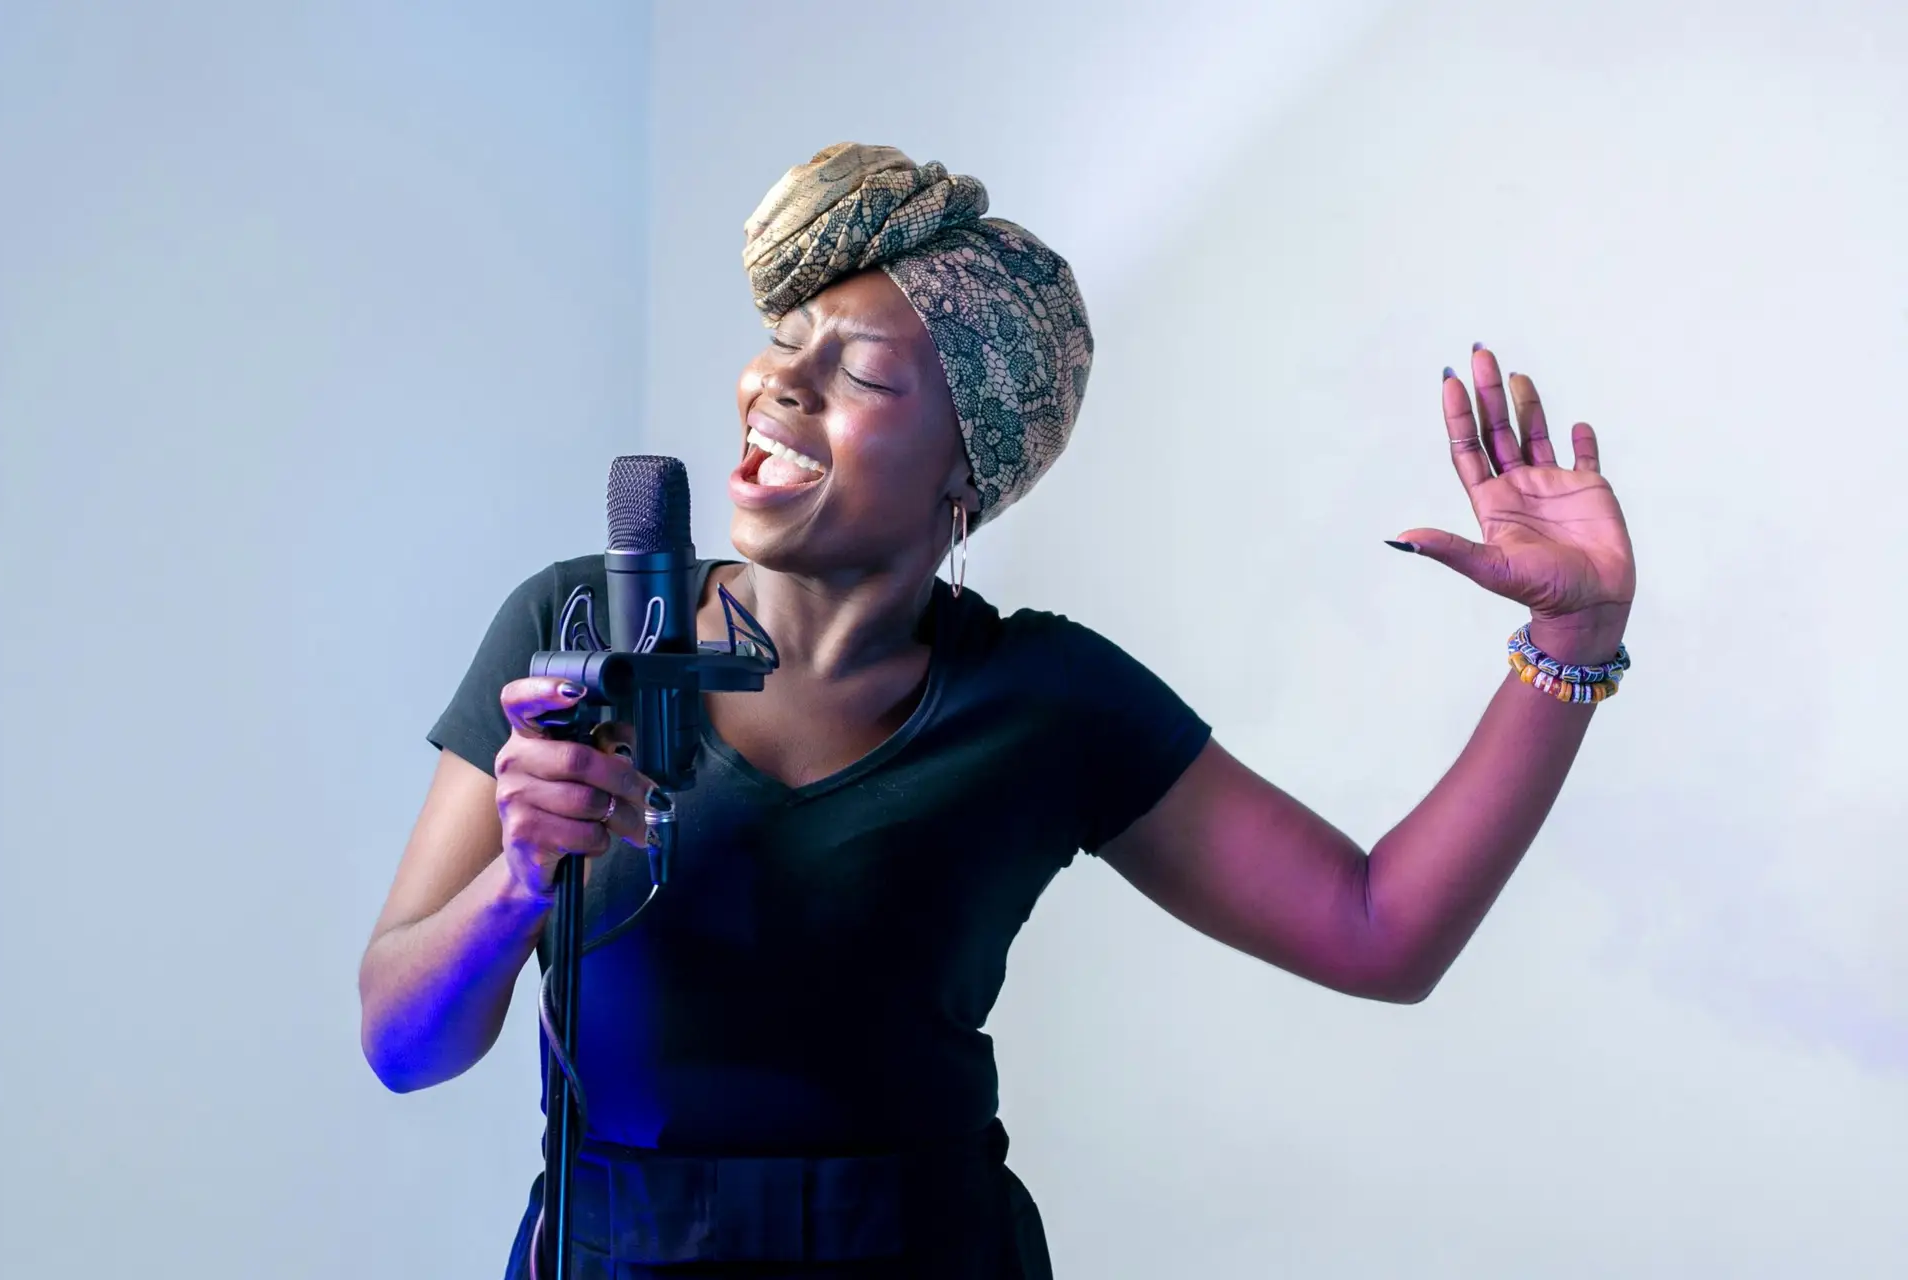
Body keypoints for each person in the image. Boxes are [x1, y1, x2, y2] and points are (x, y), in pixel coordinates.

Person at [356, 143, 1637, 1278]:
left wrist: (1570, 641)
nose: (776, 383)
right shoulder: (575, 636)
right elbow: (399, 1042)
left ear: (966, 470)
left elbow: (1378, 930)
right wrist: (518, 882)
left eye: (854, 371)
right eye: (786, 337)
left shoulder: (1046, 700)